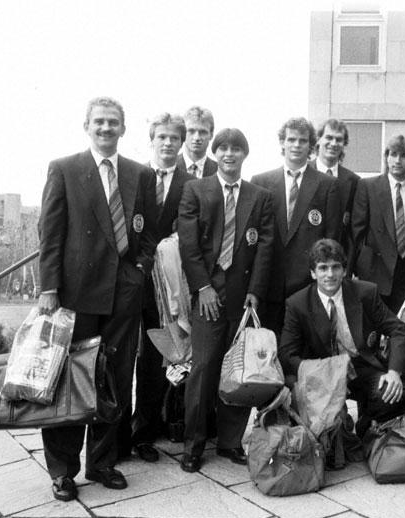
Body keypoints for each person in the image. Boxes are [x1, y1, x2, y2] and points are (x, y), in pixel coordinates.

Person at [38, 96, 157, 500]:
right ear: (86, 126)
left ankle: (103, 462)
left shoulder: (140, 174)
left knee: (116, 379)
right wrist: (48, 289)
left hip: (122, 294)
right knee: (71, 380)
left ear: (124, 129)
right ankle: (63, 470)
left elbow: (147, 230)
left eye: (114, 123)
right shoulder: (65, 169)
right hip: (76, 293)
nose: (106, 129)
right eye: (99, 122)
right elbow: (50, 235)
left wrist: (138, 271)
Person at [178, 128, 275, 472]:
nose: (230, 154)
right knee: (203, 369)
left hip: (242, 295)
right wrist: (202, 286)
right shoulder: (196, 190)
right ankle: (194, 444)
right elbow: (188, 245)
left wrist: (256, 292)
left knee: (240, 369)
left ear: (244, 154)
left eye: (237, 149)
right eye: (224, 148)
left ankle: (231, 441)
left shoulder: (259, 196)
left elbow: (264, 248)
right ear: (216, 154)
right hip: (208, 292)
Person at [278, 239, 405, 436]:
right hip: (322, 371)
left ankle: (366, 425)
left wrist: (394, 372)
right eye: (323, 268)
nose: (330, 274)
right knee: (329, 430)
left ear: (344, 270)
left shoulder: (365, 292)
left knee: (390, 393)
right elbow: (287, 353)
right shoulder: (297, 304)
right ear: (313, 273)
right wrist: (321, 371)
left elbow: (399, 330)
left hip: (360, 367)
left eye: (335, 267)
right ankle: (338, 425)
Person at [126, 113, 195, 463]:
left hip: (166, 282)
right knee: (123, 357)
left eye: (174, 138)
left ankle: (144, 433)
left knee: (156, 355)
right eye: (162, 137)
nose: (168, 143)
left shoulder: (189, 182)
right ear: (151, 140)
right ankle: (116, 433)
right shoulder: (134, 175)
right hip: (131, 277)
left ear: (181, 143)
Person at [251, 117, 340, 334]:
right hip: (268, 282)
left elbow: (331, 238)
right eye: (291, 139)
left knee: (301, 350)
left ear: (311, 145)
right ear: (282, 143)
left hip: (306, 285)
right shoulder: (261, 182)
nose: (297, 145)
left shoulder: (327, 185)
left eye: (302, 140)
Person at [352, 135, 405, 313]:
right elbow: (357, 232)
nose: (397, 160)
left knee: (401, 330)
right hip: (374, 271)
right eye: (393, 155)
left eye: (403, 156)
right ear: (386, 157)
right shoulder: (368, 186)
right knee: (371, 332)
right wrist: (358, 268)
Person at [312, 119, 360, 255]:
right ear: (318, 140)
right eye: (328, 137)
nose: (333, 143)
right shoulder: (304, 173)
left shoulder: (354, 182)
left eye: (338, 139)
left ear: (344, 144)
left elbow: (352, 232)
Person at [177, 106, 217, 178]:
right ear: (183, 133)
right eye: (191, 131)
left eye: (203, 132)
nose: (197, 138)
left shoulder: (219, 171)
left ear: (211, 135)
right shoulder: (170, 166)